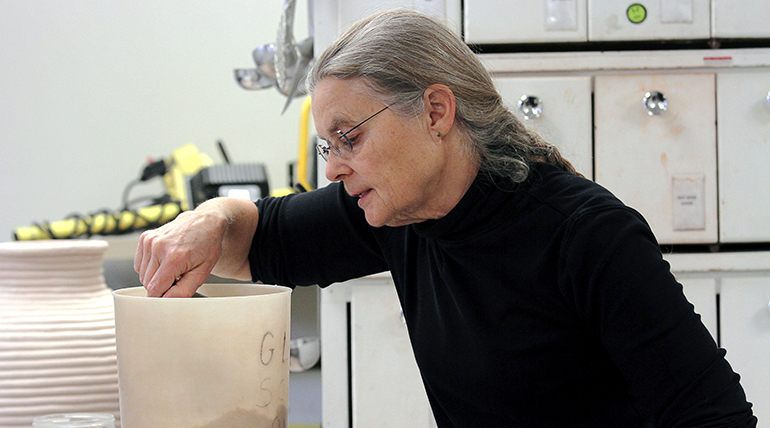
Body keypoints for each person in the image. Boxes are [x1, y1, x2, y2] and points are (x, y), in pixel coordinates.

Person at [134, 8, 757, 427]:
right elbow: (261, 237)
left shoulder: (587, 237)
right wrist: (207, 219)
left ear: (436, 112)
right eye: (328, 147)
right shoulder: (395, 213)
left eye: (349, 137)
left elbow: (715, 417)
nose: (335, 169)